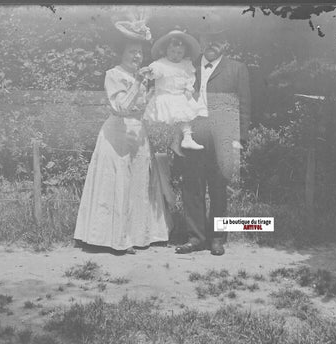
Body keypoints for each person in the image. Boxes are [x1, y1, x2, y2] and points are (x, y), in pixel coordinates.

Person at [74, 19, 170, 254]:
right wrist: (137, 83)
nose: (136, 56)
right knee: (118, 182)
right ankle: (114, 239)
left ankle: (138, 235)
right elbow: (119, 107)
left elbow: (146, 108)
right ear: (122, 54)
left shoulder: (143, 76)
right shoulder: (113, 75)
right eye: (131, 52)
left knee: (139, 183)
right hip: (117, 133)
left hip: (138, 133)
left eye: (139, 52)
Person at [175, 12, 251, 256]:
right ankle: (195, 237)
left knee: (218, 187)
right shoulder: (188, 67)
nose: (211, 44)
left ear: (225, 44)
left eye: (217, 40)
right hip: (193, 132)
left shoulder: (237, 69)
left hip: (224, 135)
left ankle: (217, 238)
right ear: (200, 40)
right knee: (192, 186)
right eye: (207, 38)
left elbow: (245, 106)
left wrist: (240, 139)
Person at [142, 29, 207, 155]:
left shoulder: (186, 64)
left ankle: (187, 138)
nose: (175, 55)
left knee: (185, 117)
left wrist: (189, 88)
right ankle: (168, 143)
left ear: (184, 53)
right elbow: (155, 72)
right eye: (172, 51)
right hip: (164, 97)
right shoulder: (161, 64)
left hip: (179, 96)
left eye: (179, 52)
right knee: (165, 121)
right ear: (165, 50)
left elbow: (190, 78)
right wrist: (151, 72)